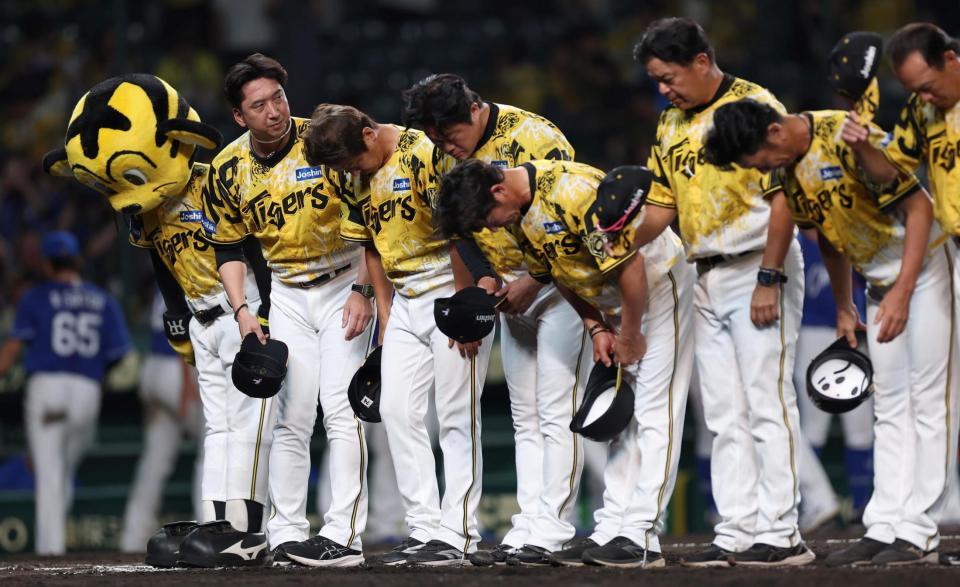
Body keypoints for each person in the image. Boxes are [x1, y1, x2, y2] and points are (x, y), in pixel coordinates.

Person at [704, 97, 955, 566]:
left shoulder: (843, 134)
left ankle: (919, 530)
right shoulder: (786, 170)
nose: (764, 169)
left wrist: (903, 290)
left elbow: (919, 208)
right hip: (880, 283)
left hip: (926, 273)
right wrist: (845, 305)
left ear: (775, 133)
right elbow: (831, 242)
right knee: (889, 405)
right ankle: (885, 524)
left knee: (929, 402)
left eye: (761, 160)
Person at [434, 159, 694, 568]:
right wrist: (595, 326)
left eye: (488, 219)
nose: (491, 229)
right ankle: (616, 525)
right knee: (622, 411)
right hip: (611, 299)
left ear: (499, 192)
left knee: (655, 408)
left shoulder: (573, 195)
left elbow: (631, 267)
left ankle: (641, 530)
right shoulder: (519, 214)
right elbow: (561, 273)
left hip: (657, 285)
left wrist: (628, 333)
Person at [629, 18, 812, 567]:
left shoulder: (755, 104)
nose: (663, 88)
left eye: (668, 76)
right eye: (657, 79)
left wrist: (770, 276)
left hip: (759, 262)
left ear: (702, 62)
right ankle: (738, 527)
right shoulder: (668, 123)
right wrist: (617, 246)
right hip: (703, 270)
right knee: (725, 412)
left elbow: (784, 195)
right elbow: (662, 205)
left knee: (766, 400)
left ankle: (781, 532)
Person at [401, 73, 591, 565]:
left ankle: (553, 526)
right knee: (523, 414)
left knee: (555, 408)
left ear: (474, 110)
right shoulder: (447, 153)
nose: (442, 145)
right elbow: (458, 226)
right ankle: (529, 523)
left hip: (558, 285)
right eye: (433, 138)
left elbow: (566, 216)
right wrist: (485, 280)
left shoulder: (536, 136)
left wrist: (536, 276)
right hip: (510, 290)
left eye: (447, 134)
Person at [202, 54, 374, 567]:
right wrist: (242, 310)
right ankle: (287, 532)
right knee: (291, 419)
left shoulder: (322, 140)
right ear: (239, 116)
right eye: (259, 104)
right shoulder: (227, 169)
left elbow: (368, 218)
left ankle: (344, 535)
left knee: (342, 411)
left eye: (278, 96)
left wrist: (364, 291)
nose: (274, 110)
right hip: (288, 292)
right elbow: (228, 248)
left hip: (344, 278)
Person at [303, 103, 493, 566]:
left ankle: (460, 532)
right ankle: (426, 528)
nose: (348, 171)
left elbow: (461, 230)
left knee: (455, 415)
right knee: (394, 411)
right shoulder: (356, 174)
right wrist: (386, 320)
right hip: (405, 298)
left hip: (449, 287)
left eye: (351, 161)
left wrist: (465, 308)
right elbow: (370, 243)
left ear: (369, 134)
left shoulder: (425, 153)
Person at [0, 231, 131, 555]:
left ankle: (50, 554)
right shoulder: (102, 299)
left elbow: (13, 348)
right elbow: (119, 355)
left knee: (49, 474)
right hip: (87, 390)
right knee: (63, 472)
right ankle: (54, 547)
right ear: (75, 261)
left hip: (47, 389)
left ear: (47, 264)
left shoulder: (36, 297)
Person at [793, 230, 873, 531]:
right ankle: (811, 505)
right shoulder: (798, 244)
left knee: (860, 425)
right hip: (811, 336)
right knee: (813, 428)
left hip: (852, 336)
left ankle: (861, 506)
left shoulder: (848, 238)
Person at [120, 291, 203, 552]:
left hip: (153, 372)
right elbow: (183, 333)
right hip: (178, 372)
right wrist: (188, 386)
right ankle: (209, 525)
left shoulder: (160, 284)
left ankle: (132, 538)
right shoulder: (188, 271)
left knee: (155, 461)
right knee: (213, 446)